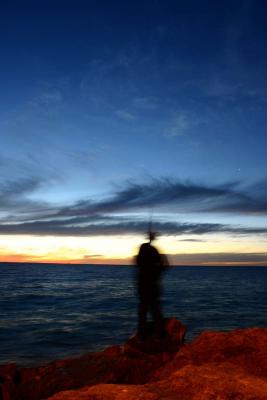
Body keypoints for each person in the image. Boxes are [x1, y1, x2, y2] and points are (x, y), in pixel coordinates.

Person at [136, 231, 168, 339]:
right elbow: (164, 267)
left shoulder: (143, 250)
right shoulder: (154, 252)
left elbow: (138, 262)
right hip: (153, 287)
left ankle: (142, 335)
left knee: (143, 311)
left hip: (143, 287)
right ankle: (160, 334)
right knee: (155, 310)